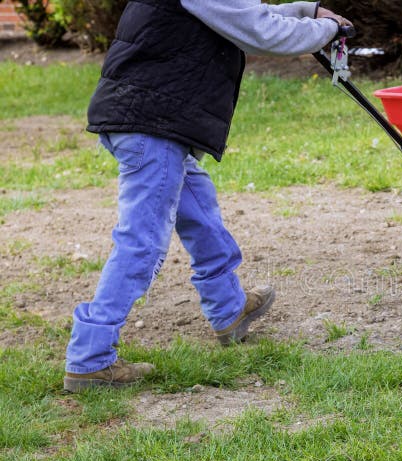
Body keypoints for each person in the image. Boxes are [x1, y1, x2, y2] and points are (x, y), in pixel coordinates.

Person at [63, 0, 352, 393]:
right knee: (142, 241)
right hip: (152, 124)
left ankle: (229, 308)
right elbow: (259, 29)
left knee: (198, 210)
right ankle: (90, 359)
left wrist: (305, 12)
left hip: (147, 117)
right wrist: (327, 30)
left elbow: (241, 13)